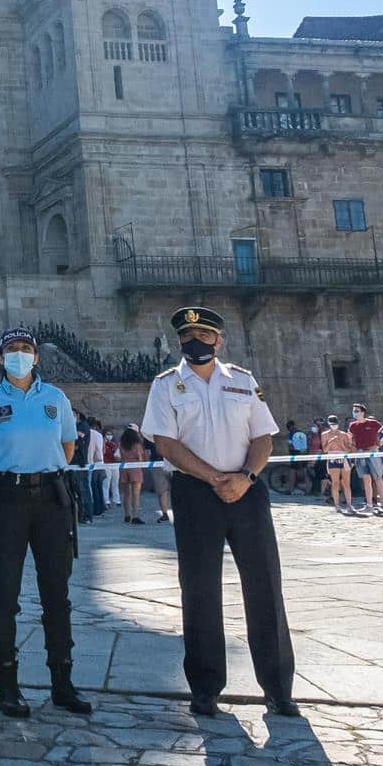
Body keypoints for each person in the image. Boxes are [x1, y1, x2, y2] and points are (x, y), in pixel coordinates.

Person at [140, 305, 297, 718]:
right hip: (196, 493)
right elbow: (166, 444)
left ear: (218, 340)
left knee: (265, 586)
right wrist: (214, 478)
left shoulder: (242, 381)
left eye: (205, 336)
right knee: (200, 590)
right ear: (180, 343)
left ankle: (279, 687)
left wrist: (244, 476)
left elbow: (263, 437)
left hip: (247, 491)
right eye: (188, 338)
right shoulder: (166, 385)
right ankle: (206, 688)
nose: (196, 342)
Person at [0, 327, 90, 718]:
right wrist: (10, 475)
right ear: (1, 358)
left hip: (52, 500)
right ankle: (7, 684)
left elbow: (67, 448)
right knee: (4, 594)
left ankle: (62, 682)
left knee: (58, 594)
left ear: (36, 357)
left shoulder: (56, 398)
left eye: (25, 349)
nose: (18, 355)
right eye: (11, 349)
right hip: (8, 500)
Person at [348, 403, 383, 518]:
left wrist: (379, 445)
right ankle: (369, 505)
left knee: (378, 478)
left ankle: (382, 505)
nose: (355, 413)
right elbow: (349, 439)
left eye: (357, 410)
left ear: (363, 412)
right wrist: (353, 452)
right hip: (360, 453)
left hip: (372, 453)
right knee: (366, 479)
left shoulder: (373, 423)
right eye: (354, 411)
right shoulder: (352, 425)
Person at [321, 415, 359, 515]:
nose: (334, 426)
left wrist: (341, 442)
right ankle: (337, 505)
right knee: (335, 483)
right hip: (332, 458)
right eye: (332, 424)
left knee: (346, 483)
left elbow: (348, 449)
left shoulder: (343, 434)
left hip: (343, 458)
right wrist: (331, 442)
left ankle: (349, 504)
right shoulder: (324, 434)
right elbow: (325, 450)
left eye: (335, 424)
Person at [119, 424, 148, 523]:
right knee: (136, 494)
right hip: (135, 468)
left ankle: (127, 515)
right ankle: (135, 516)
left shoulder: (121, 443)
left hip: (124, 467)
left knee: (127, 494)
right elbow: (140, 458)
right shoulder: (137, 444)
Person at [284, 421, 309, 495]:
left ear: (288, 428)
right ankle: (308, 490)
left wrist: (290, 452)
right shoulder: (302, 433)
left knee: (292, 471)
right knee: (304, 471)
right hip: (305, 453)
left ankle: (290, 489)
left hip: (295, 454)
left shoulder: (291, 434)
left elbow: (290, 445)